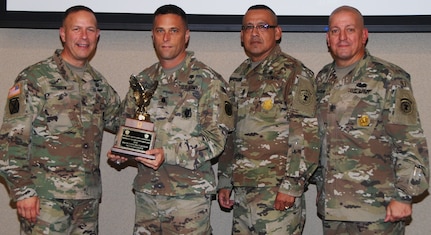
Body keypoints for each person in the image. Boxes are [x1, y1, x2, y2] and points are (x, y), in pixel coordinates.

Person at [107, 4, 234, 235]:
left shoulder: (208, 81)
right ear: (152, 35)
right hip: (147, 198)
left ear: (186, 36)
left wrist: (168, 153)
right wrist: (122, 153)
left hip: (188, 201)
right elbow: (127, 127)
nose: (166, 38)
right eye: (159, 31)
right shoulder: (143, 81)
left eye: (173, 31)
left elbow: (215, 141)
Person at [0, 5, 120, 235]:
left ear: (98, 35)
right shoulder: (35, 78)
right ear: (63, 34)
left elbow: (120, 120)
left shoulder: (98, 84)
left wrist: (128, 146)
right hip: (45, 201)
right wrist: (23, 192)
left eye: (90, 30)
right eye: (76, 29)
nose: (84, 37)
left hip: (87, 201)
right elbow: (10, 140)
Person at [314, 5, 429, 234]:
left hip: (377, 212)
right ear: (328, 39)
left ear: (364, 35)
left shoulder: (389, 78)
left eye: (350, 30)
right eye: (335, 31)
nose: (342, 37)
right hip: (333, 209)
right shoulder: (322, 79)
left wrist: (405, 196)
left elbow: (409, 141)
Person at [217, 5, 320, 235]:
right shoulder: (237, 76)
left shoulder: (294, 73)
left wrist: (292, 186)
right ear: (242, 35)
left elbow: (306, 134)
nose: (255, 33)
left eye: (263, 26)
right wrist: (225, 180)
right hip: (243, 192)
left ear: (277, 32)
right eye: (248, 27)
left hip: (277, 193)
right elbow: (229, 134)